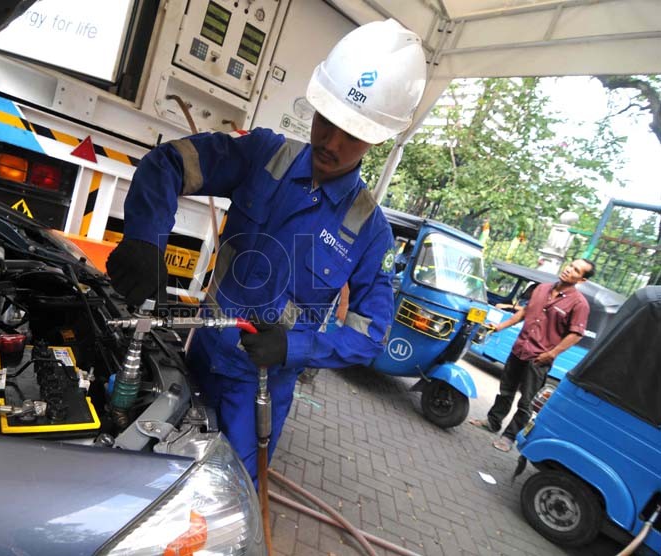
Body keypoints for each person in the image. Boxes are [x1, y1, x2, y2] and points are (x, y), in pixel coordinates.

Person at [106, 19, 427, 482]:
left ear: (378, 137)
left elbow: (371, 332)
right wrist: (145, 239)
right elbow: (169, 163)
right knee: (149, 466)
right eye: (326, 121)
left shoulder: (370, 231)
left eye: (351, 134)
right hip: (199, 356)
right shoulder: (261, 155)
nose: (330, 142)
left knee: (225, 492)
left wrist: (293, 347)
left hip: (260, 388)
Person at [470, 259, 596, 452]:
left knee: (526, 401)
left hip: (539, 358)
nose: (569, 270)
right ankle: (492, 422)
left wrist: (552, 354)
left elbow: (575, 335)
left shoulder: (579, 304)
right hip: (519, 349)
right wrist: (500, 326)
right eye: (570, 265)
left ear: (582, 280)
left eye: (576, 270)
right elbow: (524, 312)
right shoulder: (542, 289)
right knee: (506, 390)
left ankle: (509, 437)